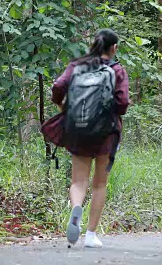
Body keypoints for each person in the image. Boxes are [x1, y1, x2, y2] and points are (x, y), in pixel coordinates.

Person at [44, 29, 130, 248]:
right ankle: (91, 235)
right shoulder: (116, 70)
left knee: (78, 181)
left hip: (78, 130)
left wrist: (61, 105)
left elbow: (57, 87)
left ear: (94, 44)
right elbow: (122, 104)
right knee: (100, 184)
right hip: (106, 134)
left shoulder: (76, 66)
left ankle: (76, 209)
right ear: (114, 48)